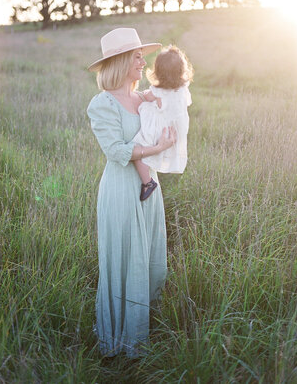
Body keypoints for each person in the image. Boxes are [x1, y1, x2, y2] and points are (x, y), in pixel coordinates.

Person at [86, 27, 176, 358]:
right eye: (137, 56)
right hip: (121, 190)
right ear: (122, 61)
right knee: (123, 260)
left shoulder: (143, 99)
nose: (143, 61)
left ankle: (141, 331)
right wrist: (155, 146)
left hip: (149, 188)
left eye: (142, 55)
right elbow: (115, 151)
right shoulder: (102, 104)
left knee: (151, 261)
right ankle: (119, 342)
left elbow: (163, 133)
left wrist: (166, 142)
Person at [133, 45, 194, 201]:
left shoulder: (157, 90)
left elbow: (147, 97)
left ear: (158, 71)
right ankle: (152, 173)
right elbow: (187, 103)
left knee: (138, 149)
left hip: (162, 127)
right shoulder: (183, 88)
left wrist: (147, 95)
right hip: (177, 127)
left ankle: (148, 182)